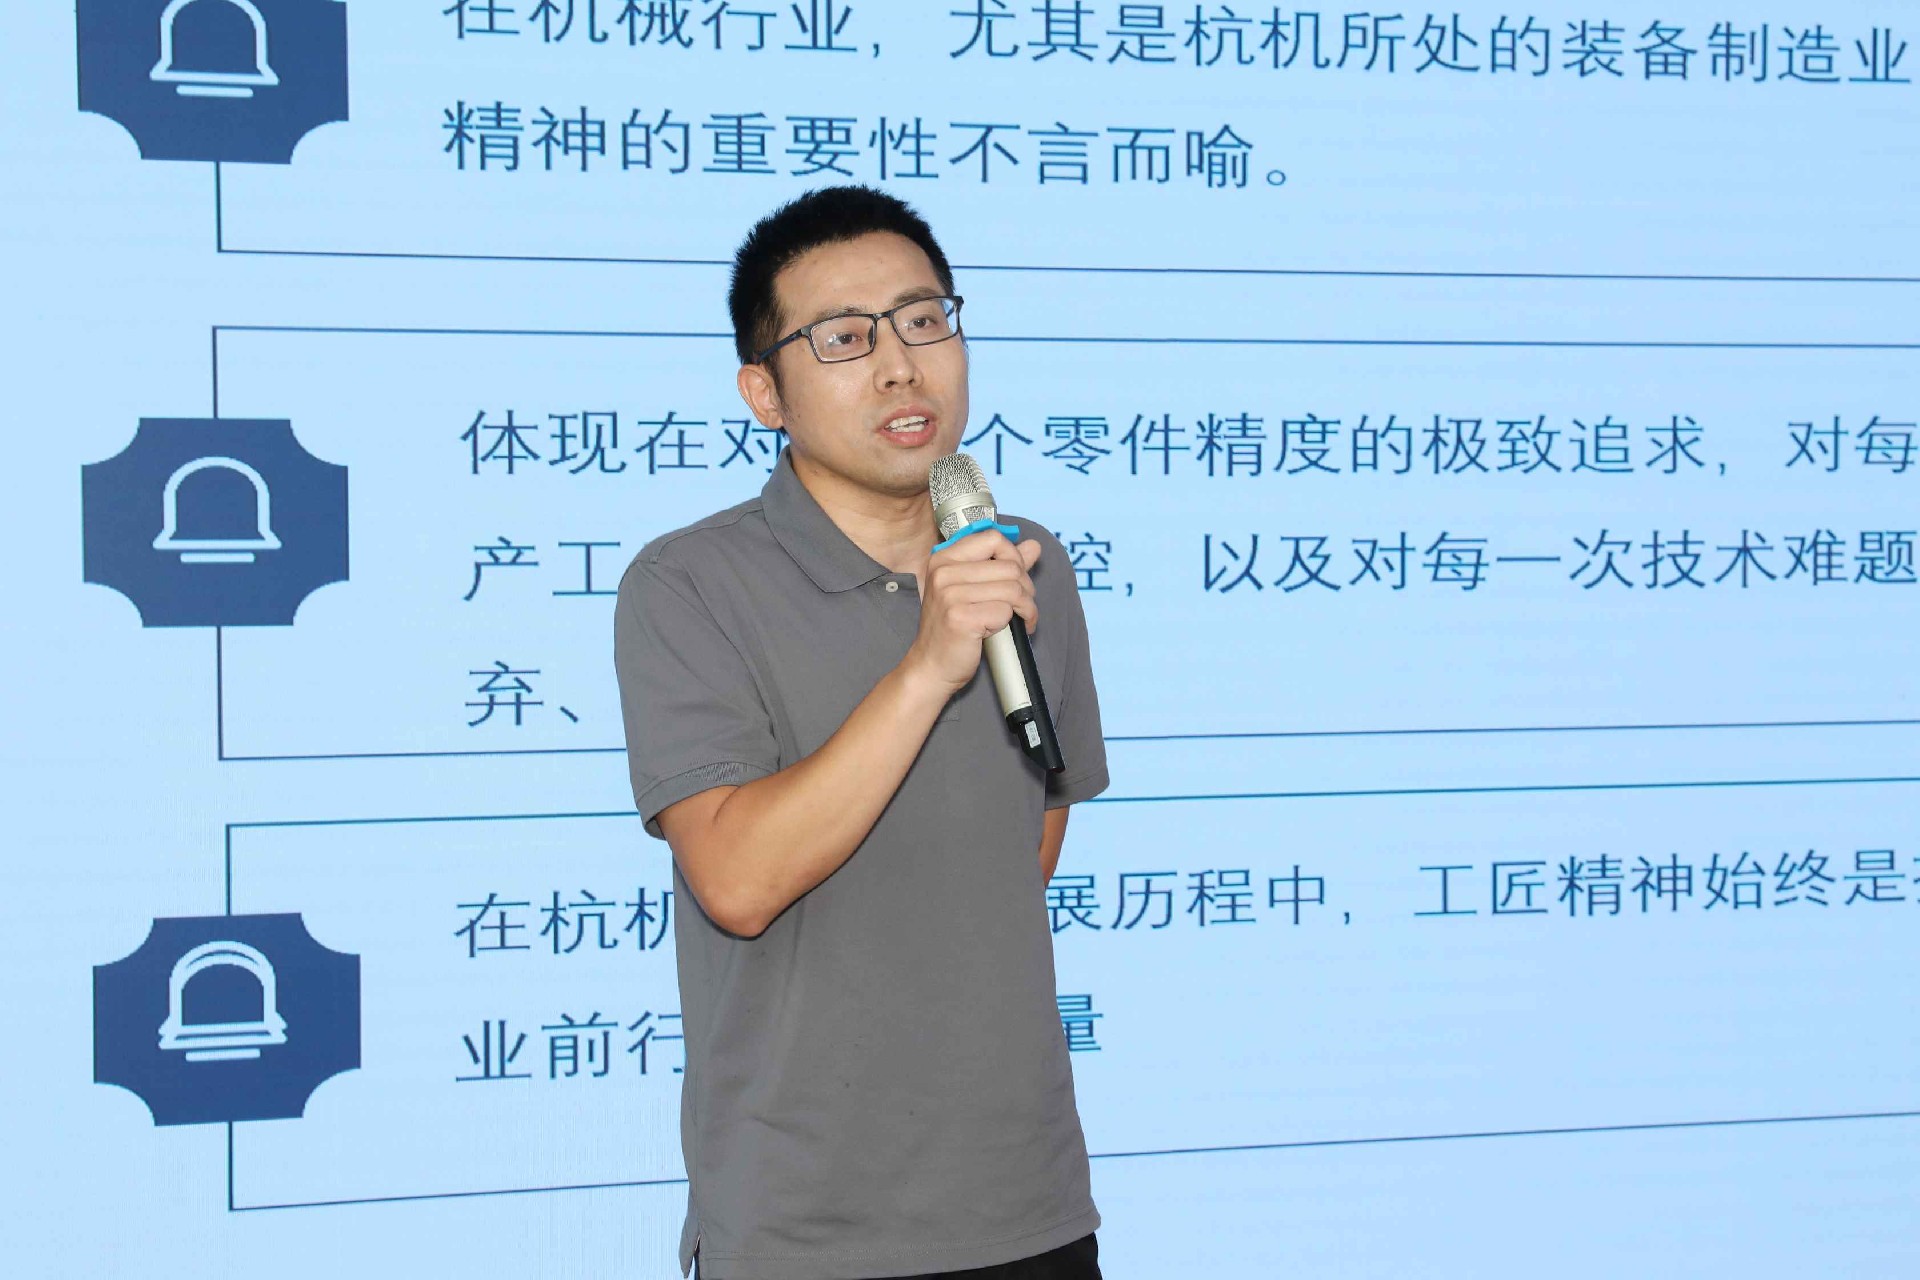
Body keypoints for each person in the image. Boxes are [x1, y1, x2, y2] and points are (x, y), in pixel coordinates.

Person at [613, 184, 1111, 1280]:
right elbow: (737, 881)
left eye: (925, 321)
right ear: (765, 392)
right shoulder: (689, 583)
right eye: (844, 338)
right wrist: (928, 666)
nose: (901, 367)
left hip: (1027, 1203)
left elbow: (1027, 837)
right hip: (807, 1227)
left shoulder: (1021, 561)